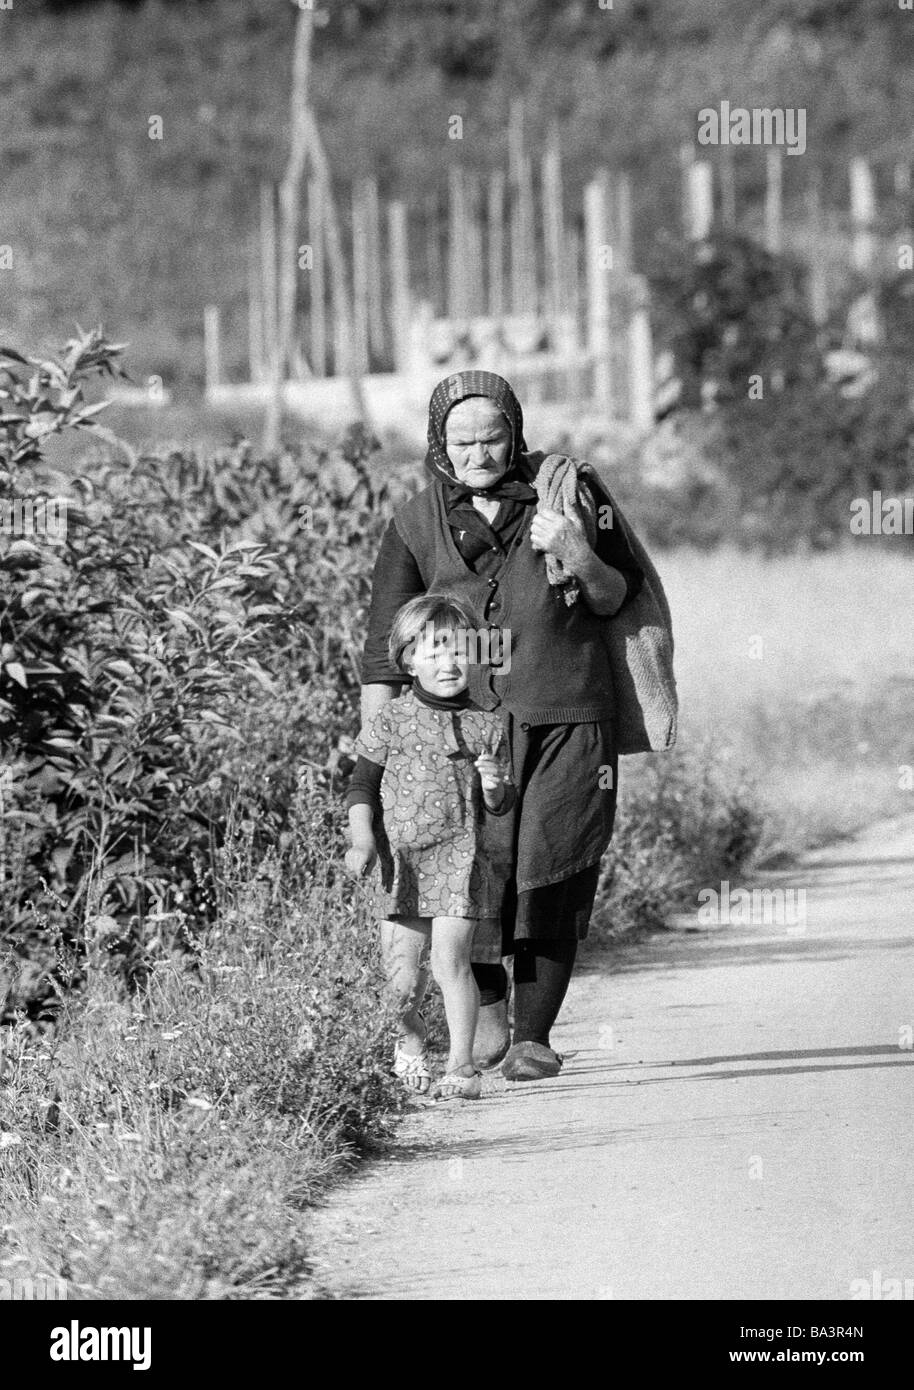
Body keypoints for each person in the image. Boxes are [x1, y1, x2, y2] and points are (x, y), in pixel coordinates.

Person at [358, 369, 676, 1082]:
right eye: (463, 441)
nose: (480, 452)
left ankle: (534, 1037)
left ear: (516, 433)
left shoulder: (570, 494)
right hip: (462, 735)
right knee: (473, 875)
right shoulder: (414, 523)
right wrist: (375, 771)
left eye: (494, 437)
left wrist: (577, 551)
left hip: (570, 714)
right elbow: (384, 653)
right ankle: (492, 1007)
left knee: (554, 865)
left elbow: (616, 594)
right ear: (439, 444)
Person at [345, 592, 515, 1100]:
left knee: (450, 963)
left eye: (458, 649)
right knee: (399, 982)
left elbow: (503, 803)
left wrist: (493, 786)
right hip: (401, 862)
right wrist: (361, 841)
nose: (448, 663)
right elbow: (362, 786)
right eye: (433, 652)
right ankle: (412, 1040)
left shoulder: (488, 723)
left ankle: (461, 1066)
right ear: (407, 661)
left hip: (460, 860)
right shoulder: (390, 720)